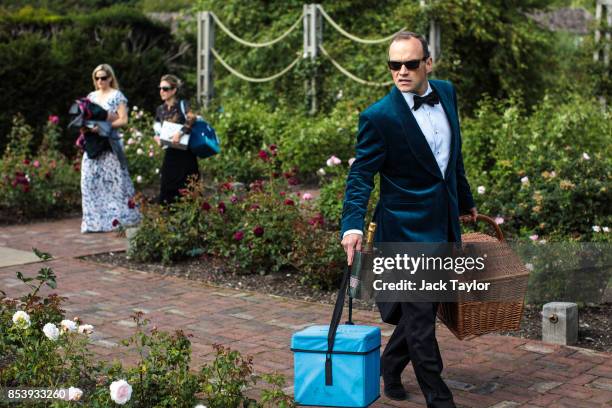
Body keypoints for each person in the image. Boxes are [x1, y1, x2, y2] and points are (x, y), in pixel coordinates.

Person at [340, 32, 478, 407]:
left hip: (443, 223)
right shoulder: (379, 117)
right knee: (420, 319)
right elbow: (360, 176)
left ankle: (390, 363)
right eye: (394, 65)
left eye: (410, 64)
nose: (401, 71)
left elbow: (454, 159)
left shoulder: (446, 93)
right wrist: (352, 225)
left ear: (428, 64)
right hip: (404, 231)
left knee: (427, 306)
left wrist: (464, 201)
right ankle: (439, 397)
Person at [81, 64, 140, 233]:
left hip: (110, 144)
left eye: (104, 78)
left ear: (110, 78)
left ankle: (118, 221)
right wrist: (86, 127)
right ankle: (94, 223)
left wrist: (104, 127)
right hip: (92, 144)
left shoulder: (117, 96)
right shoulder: (91, 97)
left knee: (115, 182)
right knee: (89, 181)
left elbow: (123, 120)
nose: (100, 81)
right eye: (97, 78)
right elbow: (85, 116)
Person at [153, 74, 198, 204]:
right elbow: (156, 128)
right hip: (171, 151)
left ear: (174, 90)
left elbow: (192, 118)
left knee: (187, 185)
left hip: (185, 153)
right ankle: (168, 218)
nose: (162, 91)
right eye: (160, 88)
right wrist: (157, 138)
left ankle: (189, 218)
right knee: (167, 184)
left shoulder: (182, 105)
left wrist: (180, 133)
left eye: (165, 88)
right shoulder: (160, 109)